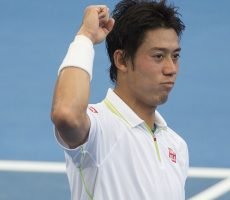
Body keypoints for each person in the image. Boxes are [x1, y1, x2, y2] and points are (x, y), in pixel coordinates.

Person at [51, 0, 189, 199]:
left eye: (175, 56)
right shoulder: (97, 129)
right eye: (158, 56)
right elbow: (66, 114)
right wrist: (85, 37)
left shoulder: (176, 146)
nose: (171, 69)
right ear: (122, 60)